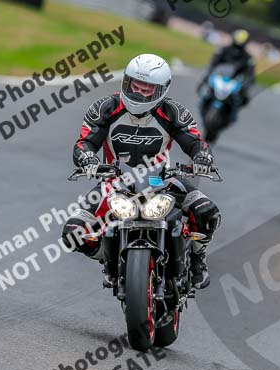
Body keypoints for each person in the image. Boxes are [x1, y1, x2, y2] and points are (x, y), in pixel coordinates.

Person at [63, 54, 220, 289]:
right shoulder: (105, 108)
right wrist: (86, 158)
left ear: (161, 90)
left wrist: (202, 158)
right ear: (126, 82)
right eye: (135, 85)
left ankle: (197, 256)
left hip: (162, 180)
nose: (139, 92)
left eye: (147, 89)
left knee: (207, 212)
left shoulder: (174, 112)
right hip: (113, 182)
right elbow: (84, 142)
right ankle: (109, 258)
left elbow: (196, 143)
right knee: (72, 232)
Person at [201, 29, 255, 105]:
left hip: (234, 81)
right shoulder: (223, 50)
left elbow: (250, 74)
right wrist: (208, 74)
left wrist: (245, 85)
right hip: (220, 76)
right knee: (205, 85)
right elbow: (213, 63)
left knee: (242, 98)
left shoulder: (248, 57)